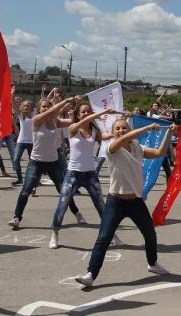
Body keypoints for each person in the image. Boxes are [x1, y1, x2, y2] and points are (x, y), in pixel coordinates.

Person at [75, 119, 175, 287]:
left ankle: (152, 264)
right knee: (104, 238)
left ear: (129, 129)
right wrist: (148, 127)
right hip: (116, 201)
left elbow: (158, 153)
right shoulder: (111, 148)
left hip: (135, 201)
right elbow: (123, 139)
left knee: (150, 234)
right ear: (113, 132)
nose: (121, 130)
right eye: (118, 128)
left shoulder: (136, 147)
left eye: (124, 128)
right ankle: (91, 274)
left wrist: (169, 133)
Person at [48, 104, 123, 249]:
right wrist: (100, 113)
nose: (86, 113)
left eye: (89, 111)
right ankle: (55, 234)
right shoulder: (73, 128)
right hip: (73, 174)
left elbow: (105, 136)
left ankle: (113, 236)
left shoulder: (94, 131)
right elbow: (85, 121)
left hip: (90, 174)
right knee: (62, 204)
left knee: (101, 206)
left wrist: (120, 126)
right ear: (78, 114)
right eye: (83, 112)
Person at [8, 98, 85, 230]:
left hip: (53, 163)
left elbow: (72, 122)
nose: (46, 108)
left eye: (48, 106)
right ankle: (16, 217)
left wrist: (73, 110)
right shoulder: (36, 120)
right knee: (26, 190)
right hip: (36, 163)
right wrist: (66, 100)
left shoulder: (55, 121)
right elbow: (52, 111)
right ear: (39, 109)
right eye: (43, 106)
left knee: (64, 191)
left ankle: (77, 213)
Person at [11, 98, 35, 186]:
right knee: (16, 160)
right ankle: (19, 179)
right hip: (21, 141)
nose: (26, 107)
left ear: (32, 108)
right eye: (24, 106)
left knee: (32, 162)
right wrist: (11, 95)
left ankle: (33, 178)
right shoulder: (21, 115)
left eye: (28, 106)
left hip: (32, 142)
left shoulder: (35, 115)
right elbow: (14, 105)